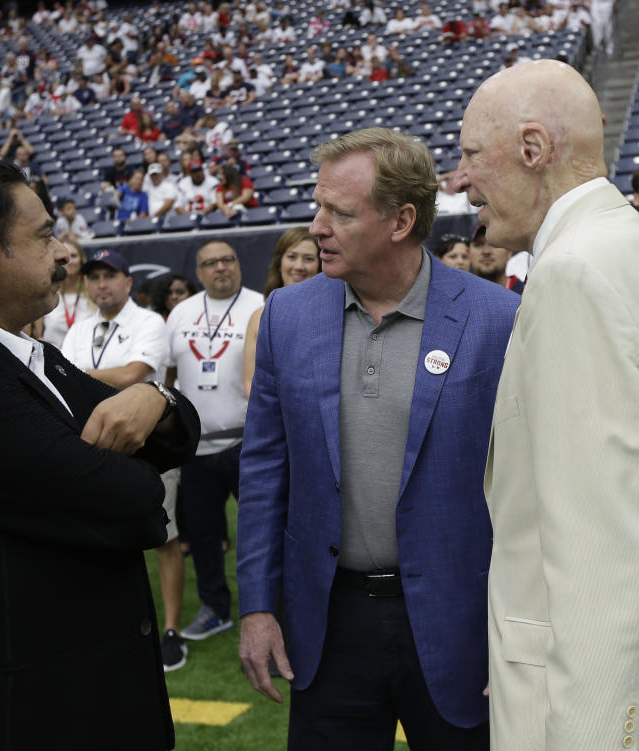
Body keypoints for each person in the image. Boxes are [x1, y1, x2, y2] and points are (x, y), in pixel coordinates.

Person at [454, 60, 639, 749]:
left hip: (614, 712)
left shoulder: (574, 271)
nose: (460, 183)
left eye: (469, 155)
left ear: (532, 148)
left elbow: (604, 557)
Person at [0, 155, 201, 750]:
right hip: (29, 714)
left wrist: (154, 394)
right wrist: (142, 427)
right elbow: (134, 504)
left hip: (85, 699)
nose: (63, 254)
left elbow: (181, 434)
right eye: (45, 235)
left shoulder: (26, 353)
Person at [237, 128, 518, 750]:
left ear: (402, 221)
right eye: (318, 206)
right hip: (328, 623)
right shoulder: (288, 315)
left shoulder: (498, 321)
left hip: (460, 621)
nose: (316, 226)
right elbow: (264, 473)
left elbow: (537, 491)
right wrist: (258, 607)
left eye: (339, 212)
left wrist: (525, 633)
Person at [60, 248, 187, 671]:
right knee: (97, 537)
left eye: (110, 276)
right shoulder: (80, 327)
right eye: (94, 277)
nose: (101, 284)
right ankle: (107, 626)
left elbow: (135, 375)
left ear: (128, 282)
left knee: (165, 539)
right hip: (92, 443)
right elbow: (67, 375)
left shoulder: (149, 321)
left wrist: (77, 375)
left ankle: (171, 630)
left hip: (148, 443)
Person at [163, 241, 264, 641]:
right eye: (211, 263)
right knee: (203, 535)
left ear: (239, 264)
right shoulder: (181, 313)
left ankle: (271, 608)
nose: (221, 268)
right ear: (199, 271)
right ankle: (215, 609)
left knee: (260, 533)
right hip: (197, 445)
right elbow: (169, 373)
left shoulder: (261, 304)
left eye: (228, 260)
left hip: (248, 441)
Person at [242, 227, 319, 397]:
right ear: (279, 262)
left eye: (308, 259)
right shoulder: (259, 317)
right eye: (292, 257)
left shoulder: (333, 313)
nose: (299, 266)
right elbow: (251, 382)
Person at [41, 238, 94, 348]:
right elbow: (37, 334)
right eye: (64, 257)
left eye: (74, 256)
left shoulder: (94, 294)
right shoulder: (45, 293)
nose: (69, 261)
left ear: (82, 261)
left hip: (85, 361)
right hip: (53, 360)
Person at [468, 223, 525, 293]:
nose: (486, 251)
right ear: (468, 252)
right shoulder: (456, 297)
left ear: (509, 251)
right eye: (478, 244)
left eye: (494, 244)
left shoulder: (528, 295)